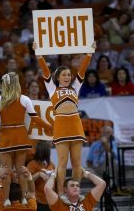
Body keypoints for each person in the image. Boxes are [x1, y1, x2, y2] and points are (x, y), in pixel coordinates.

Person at [32, 42, 96, 195]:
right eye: (64, 75)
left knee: (76, 163)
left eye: (68, 75)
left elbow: (82, 71)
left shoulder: (75, 87)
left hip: (76, 126)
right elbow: (45, 72)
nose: (67, 77)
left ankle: (74, 192)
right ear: (58, 77)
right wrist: (39, 56)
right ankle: (61, 193)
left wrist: (89, 54)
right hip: (61, 127)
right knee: (62, 163)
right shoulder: (52, 88)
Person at [0, 72, 52, 207]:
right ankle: (23, 198)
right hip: (20, 137)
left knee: (6, 170)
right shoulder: (24, 99)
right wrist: (48, 126)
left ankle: (6, 200)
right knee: (21, 169)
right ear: (17, 83)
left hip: (6, 137)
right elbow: (35, 118)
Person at [27, 140, 55, 211]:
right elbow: (27, 181)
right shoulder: (32, 164)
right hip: (38, 201)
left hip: (51, 200)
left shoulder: (51, 164)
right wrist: (38, 174)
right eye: (48, 150)